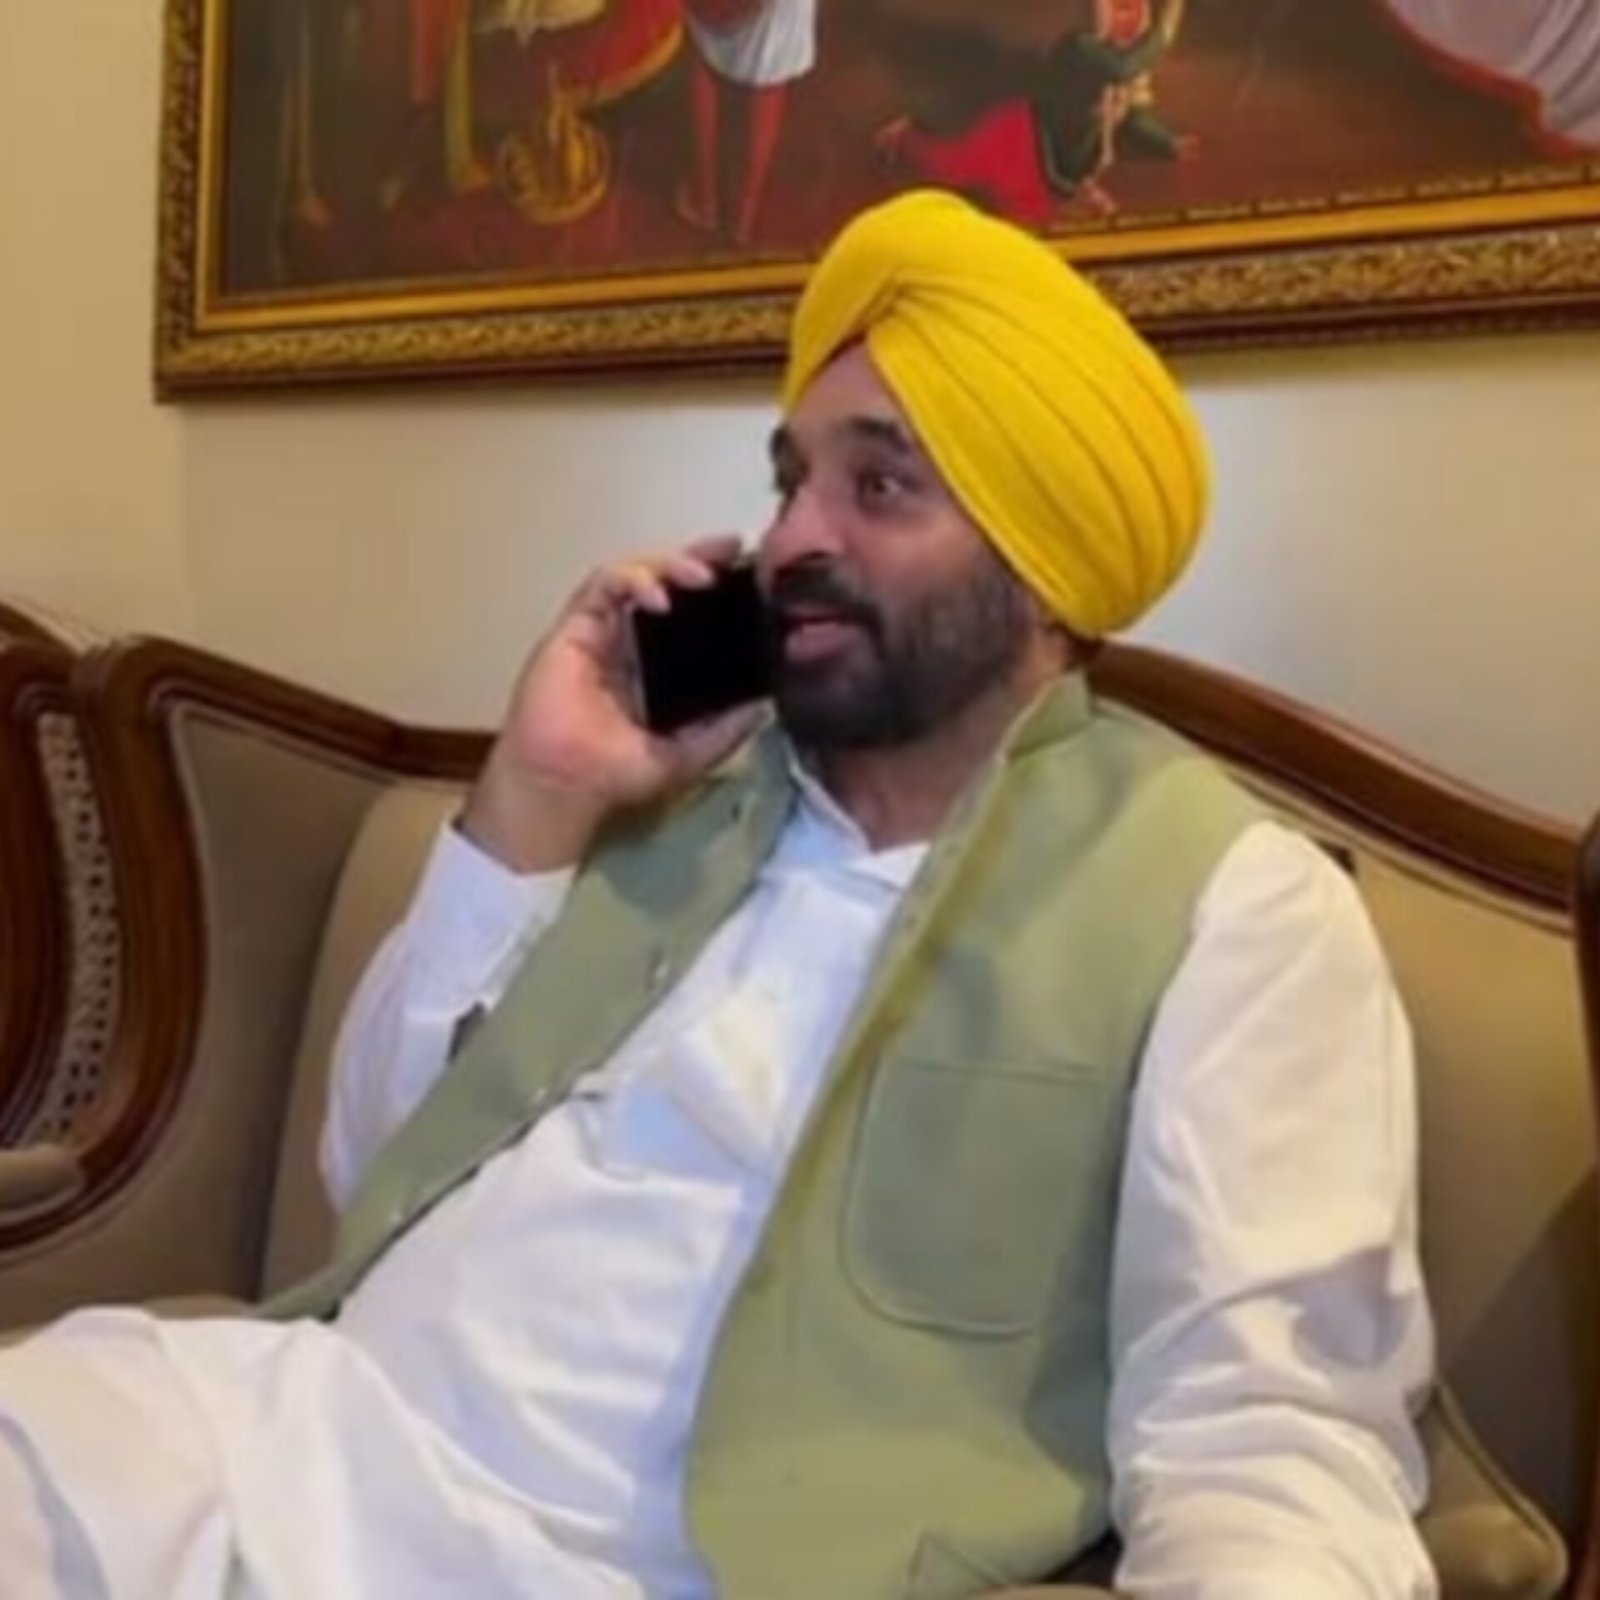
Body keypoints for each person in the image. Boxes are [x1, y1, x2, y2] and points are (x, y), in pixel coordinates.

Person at [0, 190, 1435, 1598]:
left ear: (1043, 566)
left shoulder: (1229, 906)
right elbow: (373, 1170)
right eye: (789, 481)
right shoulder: (681, 808)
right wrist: (534, 797)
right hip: (283, 1440)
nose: (795, 538)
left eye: (879, 487)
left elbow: (1268, 1431)